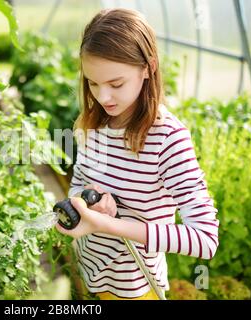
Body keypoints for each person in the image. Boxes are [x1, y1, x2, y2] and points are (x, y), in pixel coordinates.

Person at [56, 8, 219, 300]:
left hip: (134, 290)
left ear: (148, 68)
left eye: (116, 84)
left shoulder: (167, 139)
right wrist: (88, 200)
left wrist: (107, 223)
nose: (102, 97)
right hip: (91, 273)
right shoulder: (96, 121)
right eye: (93, 83)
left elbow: (205, 240)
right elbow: (78, 181)